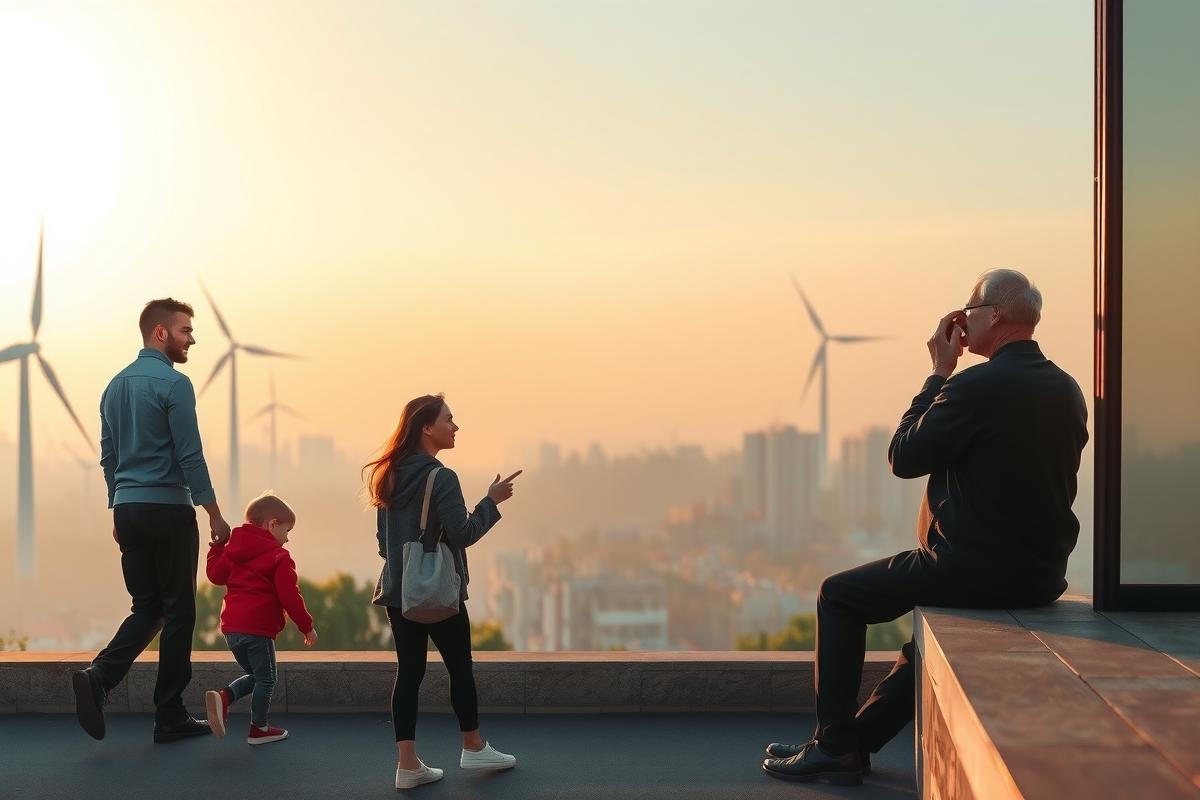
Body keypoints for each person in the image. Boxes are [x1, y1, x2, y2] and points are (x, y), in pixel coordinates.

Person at [762, 269, 1088, 786]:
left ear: (995, 316)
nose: (961, 318)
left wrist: (938, 372)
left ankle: (830, 744)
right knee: (918, 654)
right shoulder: (1067, 388)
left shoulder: (977, 385)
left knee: (838, 595)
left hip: (968, 567)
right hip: (1042, 576)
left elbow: (904, 455)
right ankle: (849, 746)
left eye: (969, 309)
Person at [74, 298, 232, 744]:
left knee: (148, 607)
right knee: (179, 612)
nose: (192, 339)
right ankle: (170, 715)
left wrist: (117, 503)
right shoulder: (175, 384)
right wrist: (214, 512)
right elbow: (189, 453)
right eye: (185, 331)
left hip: (128, 508)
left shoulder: (113, 386)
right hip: (167, 508)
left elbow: (108, 456)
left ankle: (101, 676)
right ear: (160, 333)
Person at [364, 394, 522, 790]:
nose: (455, 427)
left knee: (409, 674)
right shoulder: (442, 477)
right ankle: (473, 745)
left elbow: (385, 545)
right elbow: (463, 534)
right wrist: (492, 501)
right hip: (437, 593)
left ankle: (407, 765)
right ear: (426, 428)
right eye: (449, 420)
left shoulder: (389, 474)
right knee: (459, 668)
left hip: (399, 591)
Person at [203, 491, 318, 745]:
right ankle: (259, 728)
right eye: (287, 531)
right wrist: (306, 626)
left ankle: (224, 697)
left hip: (232, 630)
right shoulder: (279, 557)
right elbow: (290, 596)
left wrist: (217, 546)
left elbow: (215, 575)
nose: (287, 540)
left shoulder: (232, 550)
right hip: (258, 628)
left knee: (257, 676)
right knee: (267, 679)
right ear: (272, 524)